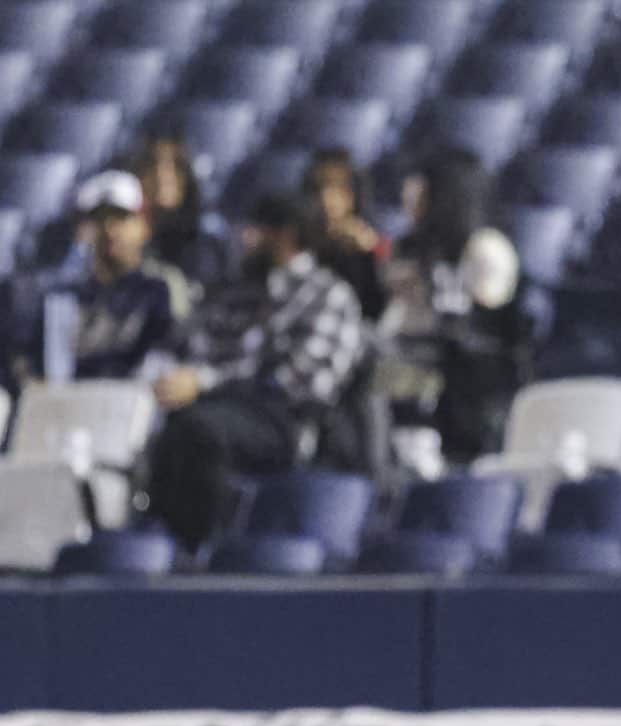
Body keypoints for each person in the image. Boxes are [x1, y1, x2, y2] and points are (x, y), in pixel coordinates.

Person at [143, 192, 364, 549]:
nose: (244, 240)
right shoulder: (236, 295)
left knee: (199, 431)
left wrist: (205, 383)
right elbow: (196, 347)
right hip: (213, 408)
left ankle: (194, 551)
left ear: (284, 235)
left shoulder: (327, 294)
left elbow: (302, 381)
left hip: (283, 421)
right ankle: (152, 545)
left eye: (254, 231)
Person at [382, 150, 531, 463]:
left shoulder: (486, 248)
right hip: (410, 366)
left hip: (465, 386)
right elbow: (399, 319)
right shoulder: (410, 249)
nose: (409, 193)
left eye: (420, 185)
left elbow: (488, 330)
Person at [6, 172, 177, 389]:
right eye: (99, 219)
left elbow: (160, 359)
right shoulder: (57, 298)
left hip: (126, 406)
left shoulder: (156, 292)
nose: (110, 229)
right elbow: (29, 362)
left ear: (143, 225)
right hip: (62, 409)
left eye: (121, 217)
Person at [134, 133, 227, 301]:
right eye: (153, 165)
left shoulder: (203, 241)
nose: (162, 176)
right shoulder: (128, 233)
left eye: (174, 166)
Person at [304, 148, 389, 321]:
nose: (327, 198)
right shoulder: (298, 240)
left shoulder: (370, 244)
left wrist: (370, 252)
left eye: (338, 188)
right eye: (322, 188)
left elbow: (377, 308)